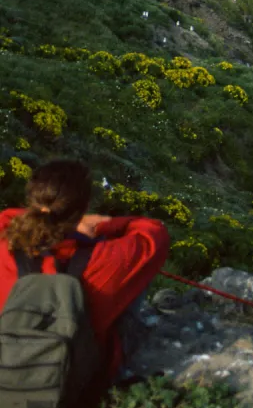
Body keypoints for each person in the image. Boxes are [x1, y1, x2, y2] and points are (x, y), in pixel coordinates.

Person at [0, 159, 170, 384]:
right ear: (84, 206)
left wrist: (45, 215)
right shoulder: (106, 259)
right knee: (133, 274)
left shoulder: (5, 245)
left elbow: (6, 217)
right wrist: (101, 225)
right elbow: (155, 232)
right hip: (75, 387)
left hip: (7, 370)